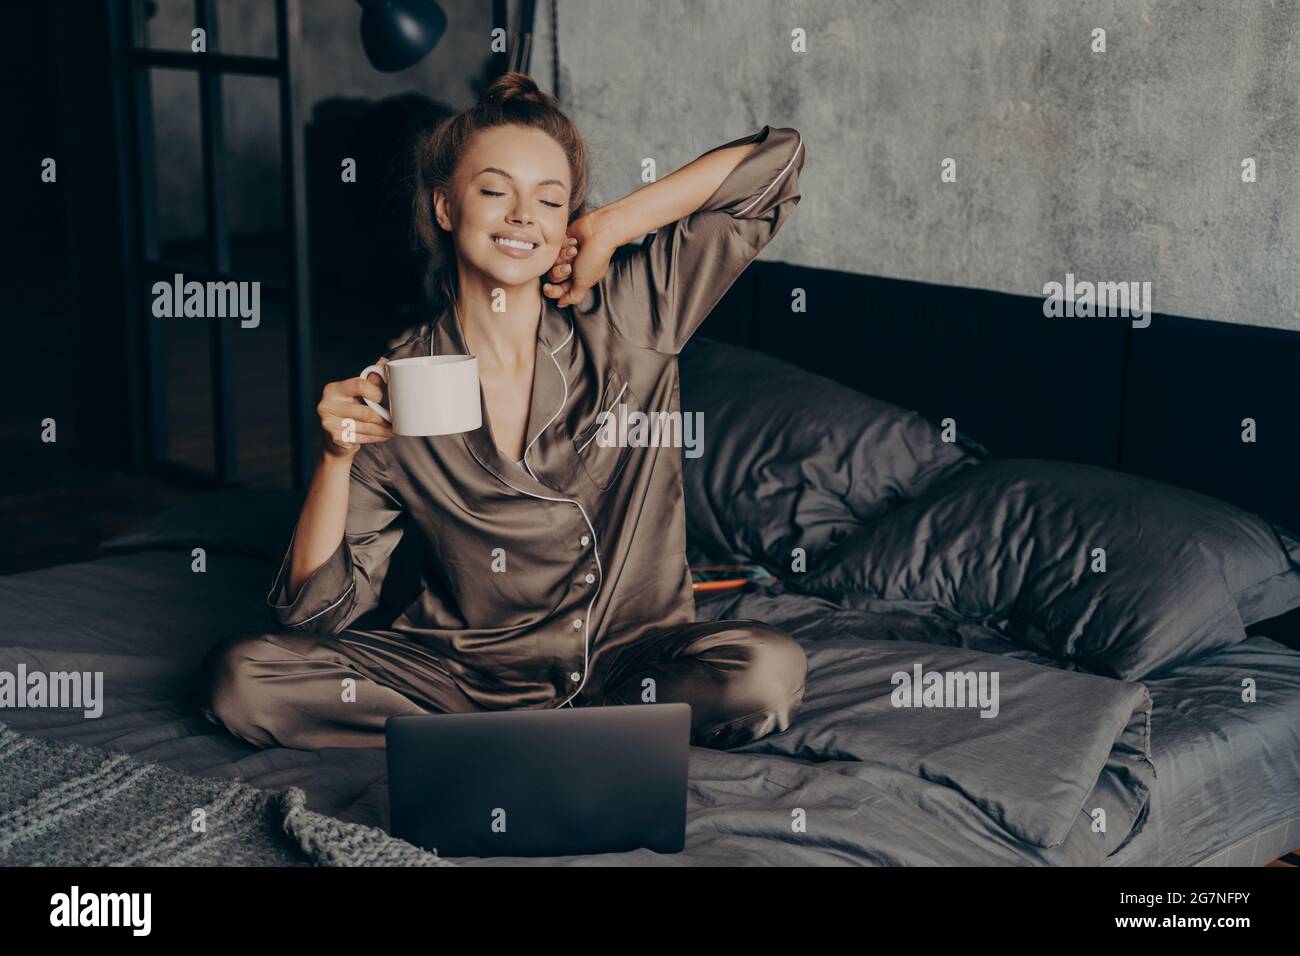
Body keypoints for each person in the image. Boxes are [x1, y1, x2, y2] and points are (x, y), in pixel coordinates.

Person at [200, 72, 808, 751]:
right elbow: (314, 620)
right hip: (459, 676)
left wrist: (610, 224)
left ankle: (526, 738)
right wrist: (335, 459)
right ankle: (530, 737)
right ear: (444, 208)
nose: (523, 216)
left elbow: (775, 162)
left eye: (548, 201)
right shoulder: (395, 385)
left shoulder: (630, 317)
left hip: (627, 661)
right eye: (495, 192)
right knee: (241, 681)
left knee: (764, 674)